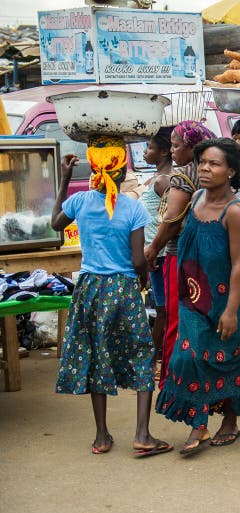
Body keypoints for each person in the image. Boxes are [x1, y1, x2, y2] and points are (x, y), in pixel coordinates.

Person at [51, 141, 171, 458]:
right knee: (141, 353)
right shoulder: (133, 208)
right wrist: (143, 277)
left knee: (97, 354)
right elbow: (136, 259)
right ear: (122, 174)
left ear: (94, 171)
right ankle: (143, 433)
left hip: (89, 289)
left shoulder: (80, 201)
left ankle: (102, 436)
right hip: (124, 288)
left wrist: (64, 180)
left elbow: (55, 225)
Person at [156, 138, 240, 455]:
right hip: (194, 298)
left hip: (231, 300)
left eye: (214, 163)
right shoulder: (198, 198)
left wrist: (230, 311)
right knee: (188, 358)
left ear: (231, 171)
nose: (204, 168)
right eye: (202, 162)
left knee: (230, 359)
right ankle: (200, 426)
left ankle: (228, 421)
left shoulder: (237, 212)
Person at [144, 120, 216, 389]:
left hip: (178, 255)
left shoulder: (183, 174)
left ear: (192, 146)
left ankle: (174, 384)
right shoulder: (215, 171)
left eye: (176, 146)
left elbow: (172, 218)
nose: (173, 151)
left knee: (176, 318)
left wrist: (153, 248)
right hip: (207, 256)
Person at [138, 127, 172, 375]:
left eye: (149, 147)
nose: (145, 151)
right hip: (153, 251)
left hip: (157, 253)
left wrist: (154, 248)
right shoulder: (157, 178)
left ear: (164, 151)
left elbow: (169, 218)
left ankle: (154, 361)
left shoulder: (163, 180)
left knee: (162, 308)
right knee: (160, 307)